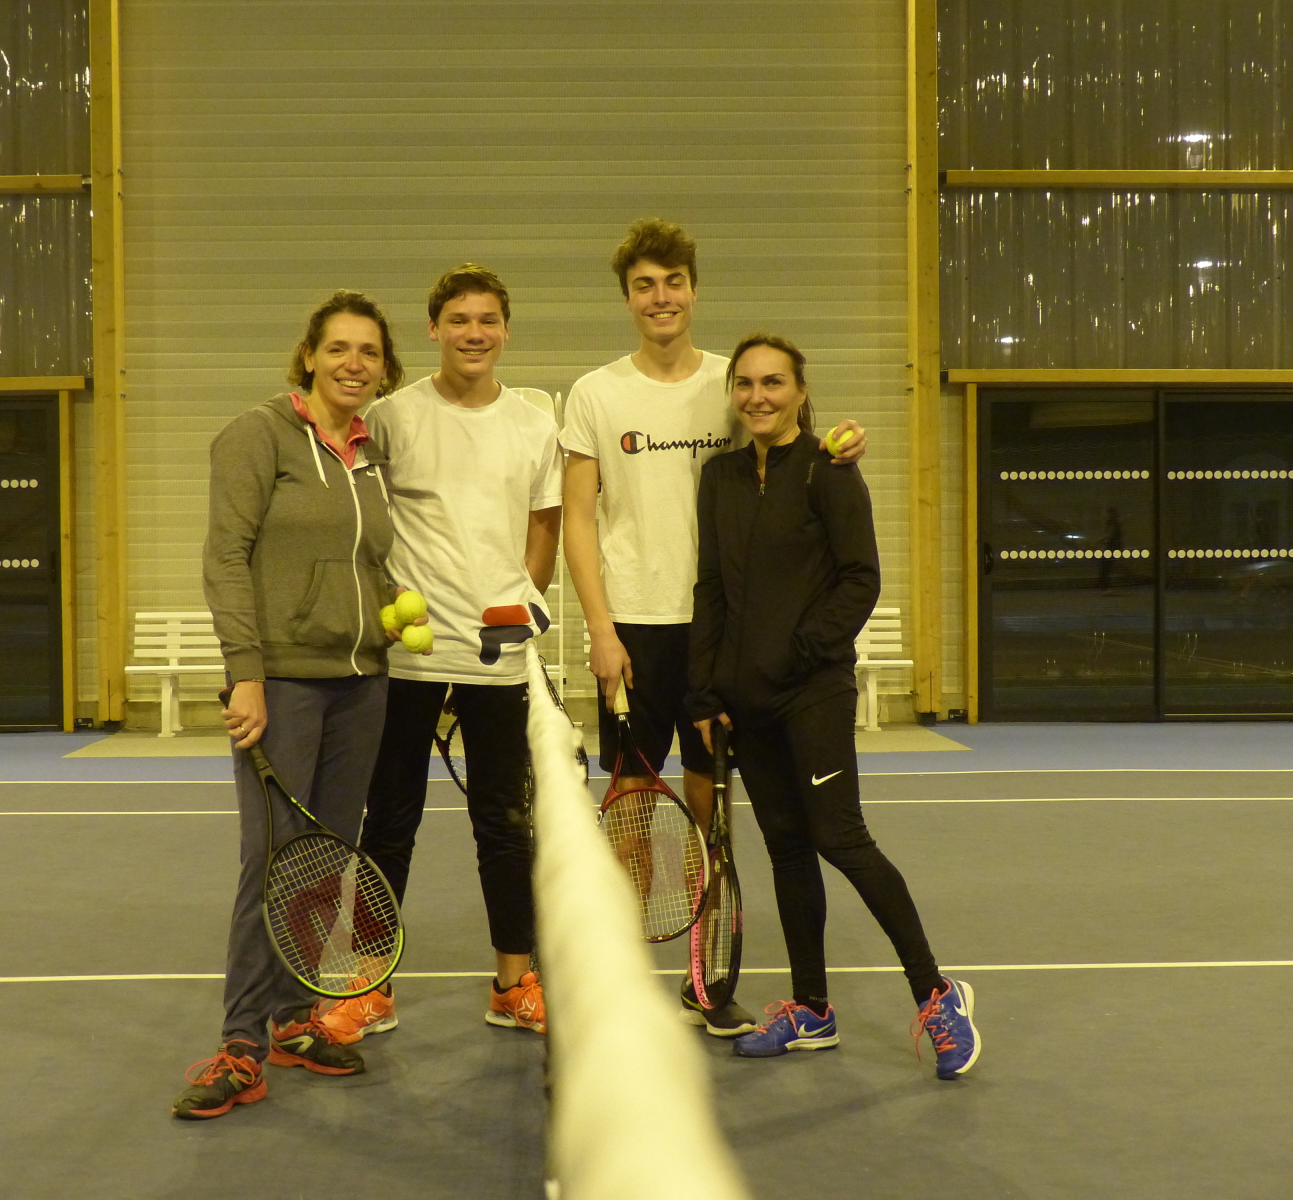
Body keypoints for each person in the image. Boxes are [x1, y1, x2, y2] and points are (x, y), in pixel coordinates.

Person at [559, 218, 866, 1036]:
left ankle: (703, 978)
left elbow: (799, 444)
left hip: (720, 635)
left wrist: (846, 443)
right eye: (644, 286)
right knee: (632, 812)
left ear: (694, 289)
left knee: (709, 812)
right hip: (632, 630)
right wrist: (600, 629)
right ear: (627, 298)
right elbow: (578, 520)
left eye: (673, 282)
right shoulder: (594, 394)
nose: (660, 298)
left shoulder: (735, 383)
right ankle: (620, 985)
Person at [687, 333, 979, 1079]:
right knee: (786, 848)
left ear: (800, 391)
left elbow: (860, 579)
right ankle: (811, 1009)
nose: (758, 396)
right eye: (746, 383)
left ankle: (937, 994)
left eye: (773, 383)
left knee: (841, 840)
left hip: (812, 692)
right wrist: (707, 690)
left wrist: (798, 652)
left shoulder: (829, 470)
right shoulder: (719, 478)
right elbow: (711, 587)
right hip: (746, 704)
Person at [172, 290, 425, 1119]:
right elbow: (226, 556)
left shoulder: (369, 453)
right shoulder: (259, 436)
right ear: (309, 355)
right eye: (339, 348)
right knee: (272, 859)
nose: (355, 363)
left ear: (385, 368)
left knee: (324, 861)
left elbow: (361, 560)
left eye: (369, 352)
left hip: (363, 684)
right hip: (281, 683)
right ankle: (241, 1046)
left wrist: (389, 611)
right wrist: (244, 671)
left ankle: (293, 1020)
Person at [322, 264, 562, 1044]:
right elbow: (361, 516)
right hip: (407, 657)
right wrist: (382, 607)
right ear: (434, 329)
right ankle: (369, 985)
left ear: (505, 330)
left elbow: (546, 524)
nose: (473, 333)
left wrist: (523, 599)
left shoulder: (533, 425)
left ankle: (514, 983)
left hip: (496, 656)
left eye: (487, 320)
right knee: (389, 821)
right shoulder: (391, 418)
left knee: (505, 825)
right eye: (459, 320)